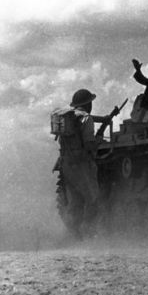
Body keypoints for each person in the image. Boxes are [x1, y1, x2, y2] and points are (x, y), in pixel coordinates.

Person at [58, 89, 102, 238]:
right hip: (82, 164)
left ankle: (72, 235)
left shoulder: (68, 118)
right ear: (88, 104)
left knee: (75, 201)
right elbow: (89, 144)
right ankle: (87, 231)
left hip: (66, 164)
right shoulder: (86, 119)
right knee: (93, 199)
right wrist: (99, 140)